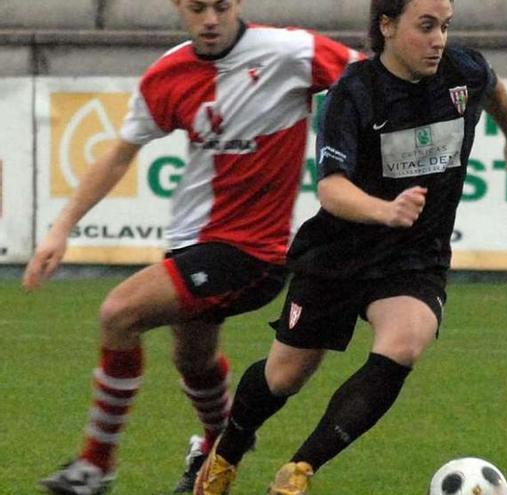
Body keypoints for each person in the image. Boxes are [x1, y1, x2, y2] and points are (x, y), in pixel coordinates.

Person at [192, 0, 507, 493]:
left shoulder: (463, 70)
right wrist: (385, 211)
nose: (439, 39)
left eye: (445, 26)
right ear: (387, 26)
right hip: (339, 254)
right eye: (426, 26)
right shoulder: (353, 94)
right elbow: (331, 189)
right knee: (284, 376)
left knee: (406, 340)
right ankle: (227, 450)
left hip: (415, 256)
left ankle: (299, 471)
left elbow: (493, 85)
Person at [24, 1, 360, 493]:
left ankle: (94, 467)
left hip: (252, 251)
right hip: (191, 242)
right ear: (179, 7)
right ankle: (216, 452)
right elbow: (120, 153)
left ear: (237, 4)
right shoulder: (169, 74)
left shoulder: (291, 52)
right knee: (194, 359)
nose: (209, 19)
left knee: (118, 313)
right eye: (197, 7)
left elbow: (374, 77)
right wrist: (61, 227)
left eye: (220, 6)